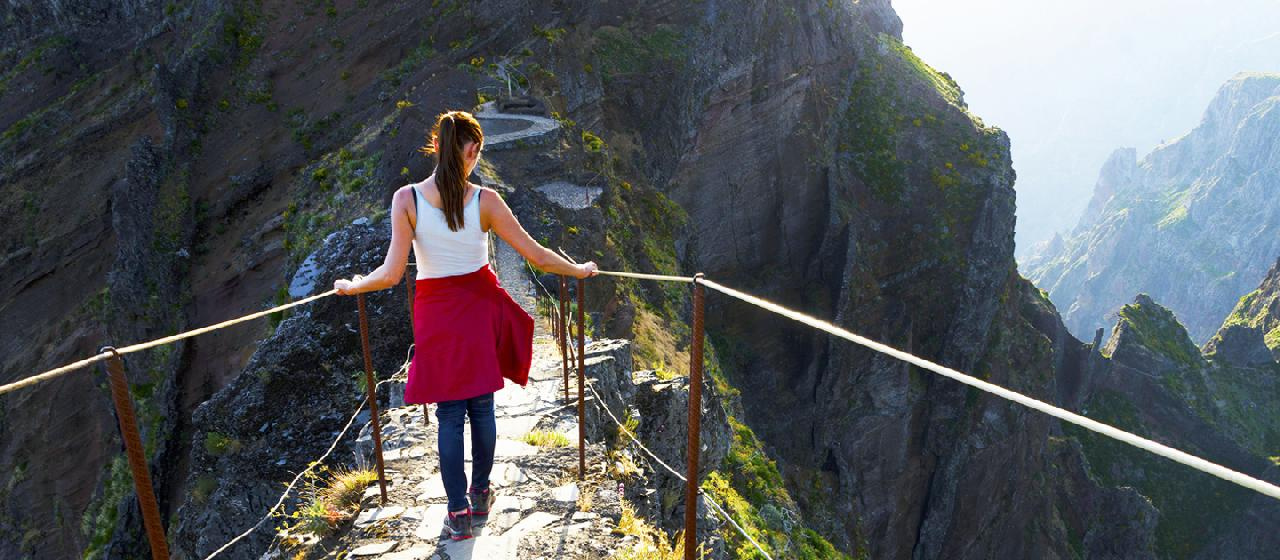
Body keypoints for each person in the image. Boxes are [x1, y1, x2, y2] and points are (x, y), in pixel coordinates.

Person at [333, 110, 597, 541]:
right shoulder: (486, 201)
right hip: (477, 310)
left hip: (435, 313)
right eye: (477, 150)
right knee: (482, 408)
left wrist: (353, 285)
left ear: (436, 146)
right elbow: (537, 256)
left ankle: (457, 513)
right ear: (472, 150)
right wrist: (579, 270)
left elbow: (392, 274)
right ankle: (480, 493)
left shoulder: (406, 199)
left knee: (449, 415)